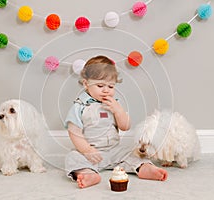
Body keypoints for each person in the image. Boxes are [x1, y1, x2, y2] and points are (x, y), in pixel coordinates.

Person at [64, 55, 168, 189]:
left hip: (114, 151)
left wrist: (118, 111)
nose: (106, 90)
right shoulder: (79, 106)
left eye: (111, 86)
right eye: (100, 85)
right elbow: (74, 132)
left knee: (131, 152)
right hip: (90, 154)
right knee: (72, 157)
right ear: (86, 84)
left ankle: (145, 168)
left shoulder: (114, 104)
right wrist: (87, 150)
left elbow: (125, 127)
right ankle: (89, 174)